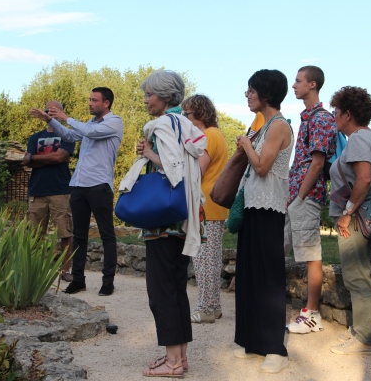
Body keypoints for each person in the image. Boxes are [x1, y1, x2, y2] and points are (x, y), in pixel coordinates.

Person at [120, 70, 206, 378]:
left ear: (166, 97)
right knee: (175, 288)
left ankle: (172, 362)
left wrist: (148, 153)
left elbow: (173, 170)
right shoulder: (185, 123)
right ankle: (178, 357)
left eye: (149, 94)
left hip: (164, 223)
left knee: (161, 291)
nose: (145, 99)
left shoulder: (162, 125)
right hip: (185, 220)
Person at [29, 87, 124, 296]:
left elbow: (88, 133)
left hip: (99, 185)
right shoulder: (89, 123)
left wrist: (65, 117)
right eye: (89, 99)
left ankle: (108, 282)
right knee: (79, 235)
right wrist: (51, 121)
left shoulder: (114, 122)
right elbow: (71, 136)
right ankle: (78, 280)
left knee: (107, 235)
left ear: (106, 103)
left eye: (94, 100)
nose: (90, 103)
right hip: (79, 185)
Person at [234, 69, 293, 374]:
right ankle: (253, 340)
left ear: (265, 93)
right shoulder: (266, 125)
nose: (247, 94)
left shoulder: (279, 125)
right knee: (249, 273)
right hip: (255, 206)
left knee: (268, 278)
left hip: (270, 209)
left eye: (251, 89)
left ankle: (275, 348)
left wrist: (245, 144)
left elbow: (261, 167)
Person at [327, 87, 371, 355]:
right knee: (362, 272)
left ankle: (363, 339)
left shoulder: (358, 139)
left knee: (356, 275)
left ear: (348, 114)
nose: (334, 117)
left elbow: (364, 179)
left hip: (358, 218)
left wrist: (347, 214)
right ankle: (362, 331)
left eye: (336, 112)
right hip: (367, 216)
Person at [285, 66, 337, 334]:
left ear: (313, 84)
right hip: (296, 195)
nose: (294, 85)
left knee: (310, 256)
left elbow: (317, 163)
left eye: (298, 81)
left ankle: (311, 314)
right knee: (286, 249)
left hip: (306, 196)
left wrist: (301, 195)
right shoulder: (308, 118)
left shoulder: (321, 119)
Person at [182, 94, 229, 324]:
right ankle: (215, 306)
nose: (185, 118)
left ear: (199, 113)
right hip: (213, 206)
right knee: (210, 259)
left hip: (205, 206)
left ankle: (206, 308)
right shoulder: (216, 134)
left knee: (203, 261)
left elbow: (196, 172)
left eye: (187, 113)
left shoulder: (208, 136)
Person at [23, 100, 75, 282]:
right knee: (34, 234)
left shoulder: (68, 136)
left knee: (65, 233)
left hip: (60, 190)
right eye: (47, 110)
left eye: (53, 110)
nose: (49, 113)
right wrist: (49, 158)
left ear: (61, 113)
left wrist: (36, 158)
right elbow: (26, 161)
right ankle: (34, 270)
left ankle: (65, 270)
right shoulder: (35, 137)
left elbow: (60, 157)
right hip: (37, 191)